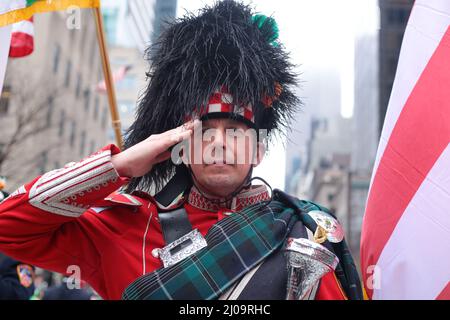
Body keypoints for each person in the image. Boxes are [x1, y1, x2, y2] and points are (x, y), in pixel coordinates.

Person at [0, 0, 362, 300]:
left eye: (235, 131)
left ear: (258, 150)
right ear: (181, 147)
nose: (219, 143)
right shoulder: (125, 228)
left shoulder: (303, 232)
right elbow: (8, 228)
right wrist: (120, 163)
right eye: (203, 132)